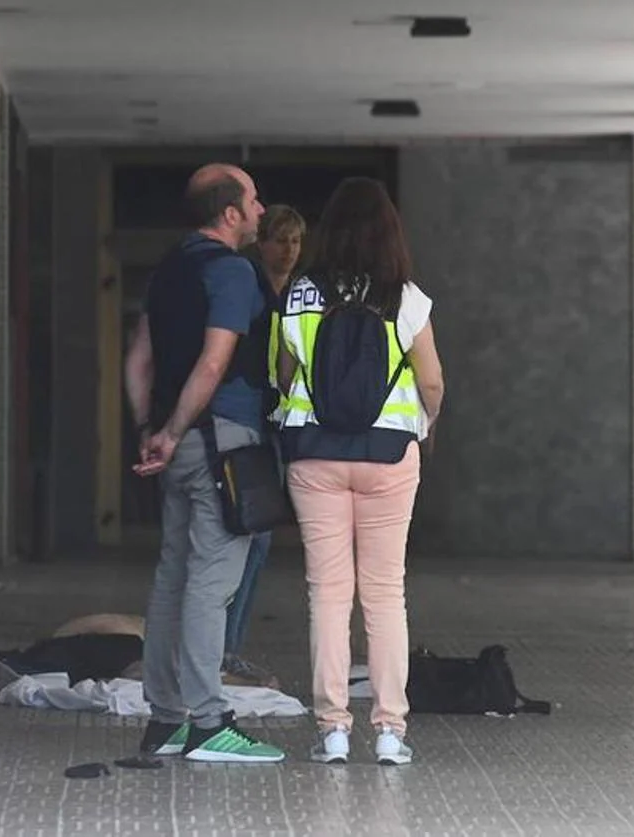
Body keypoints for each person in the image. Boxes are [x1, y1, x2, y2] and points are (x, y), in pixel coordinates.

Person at [276, 177, 444, 765]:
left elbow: (283, 372)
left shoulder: (300, 292)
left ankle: (333, 730)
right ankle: (391, 731)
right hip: (389, 457)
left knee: (327, 593)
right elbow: (431, 381)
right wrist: (427, 422)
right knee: (384, 591)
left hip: (315, 455)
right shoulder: (408, 297)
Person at [123, 163, 285, 763]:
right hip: (222, 444)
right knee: (212, 585)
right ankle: (208, 723)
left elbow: (139, 359)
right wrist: (173, 429)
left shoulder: (168, 271)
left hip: (179, 446)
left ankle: (164, 718)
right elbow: (216, 363)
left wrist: (152, 430)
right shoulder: (233, 272)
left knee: (173, 577)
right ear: (230, 214)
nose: (263, 211)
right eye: (254, 200)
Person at [222, 204, 307, 684]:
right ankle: (221, 649)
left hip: (281, 424)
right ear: (262, 243)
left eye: (295, 241)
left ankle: (230, 647)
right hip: (245, 417)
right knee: (243, 533)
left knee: (261, 537)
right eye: (280, 240)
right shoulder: (248, 284)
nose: (289, 250)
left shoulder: (300, 293)